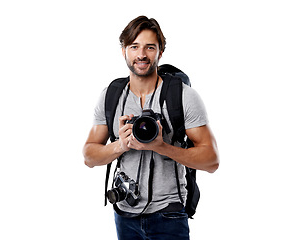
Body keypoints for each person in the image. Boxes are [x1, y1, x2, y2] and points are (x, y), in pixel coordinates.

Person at [83, 16, 219, 240]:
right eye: (134, 46)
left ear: (160, 52)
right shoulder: (111, 96)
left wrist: (162, 146)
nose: (141, 55)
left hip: (169, 215)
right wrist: (120, 145)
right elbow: (89, 157)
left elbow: (212, 161)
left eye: (149, 47)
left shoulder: (183, 96)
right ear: (124, 51)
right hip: (125, 212)